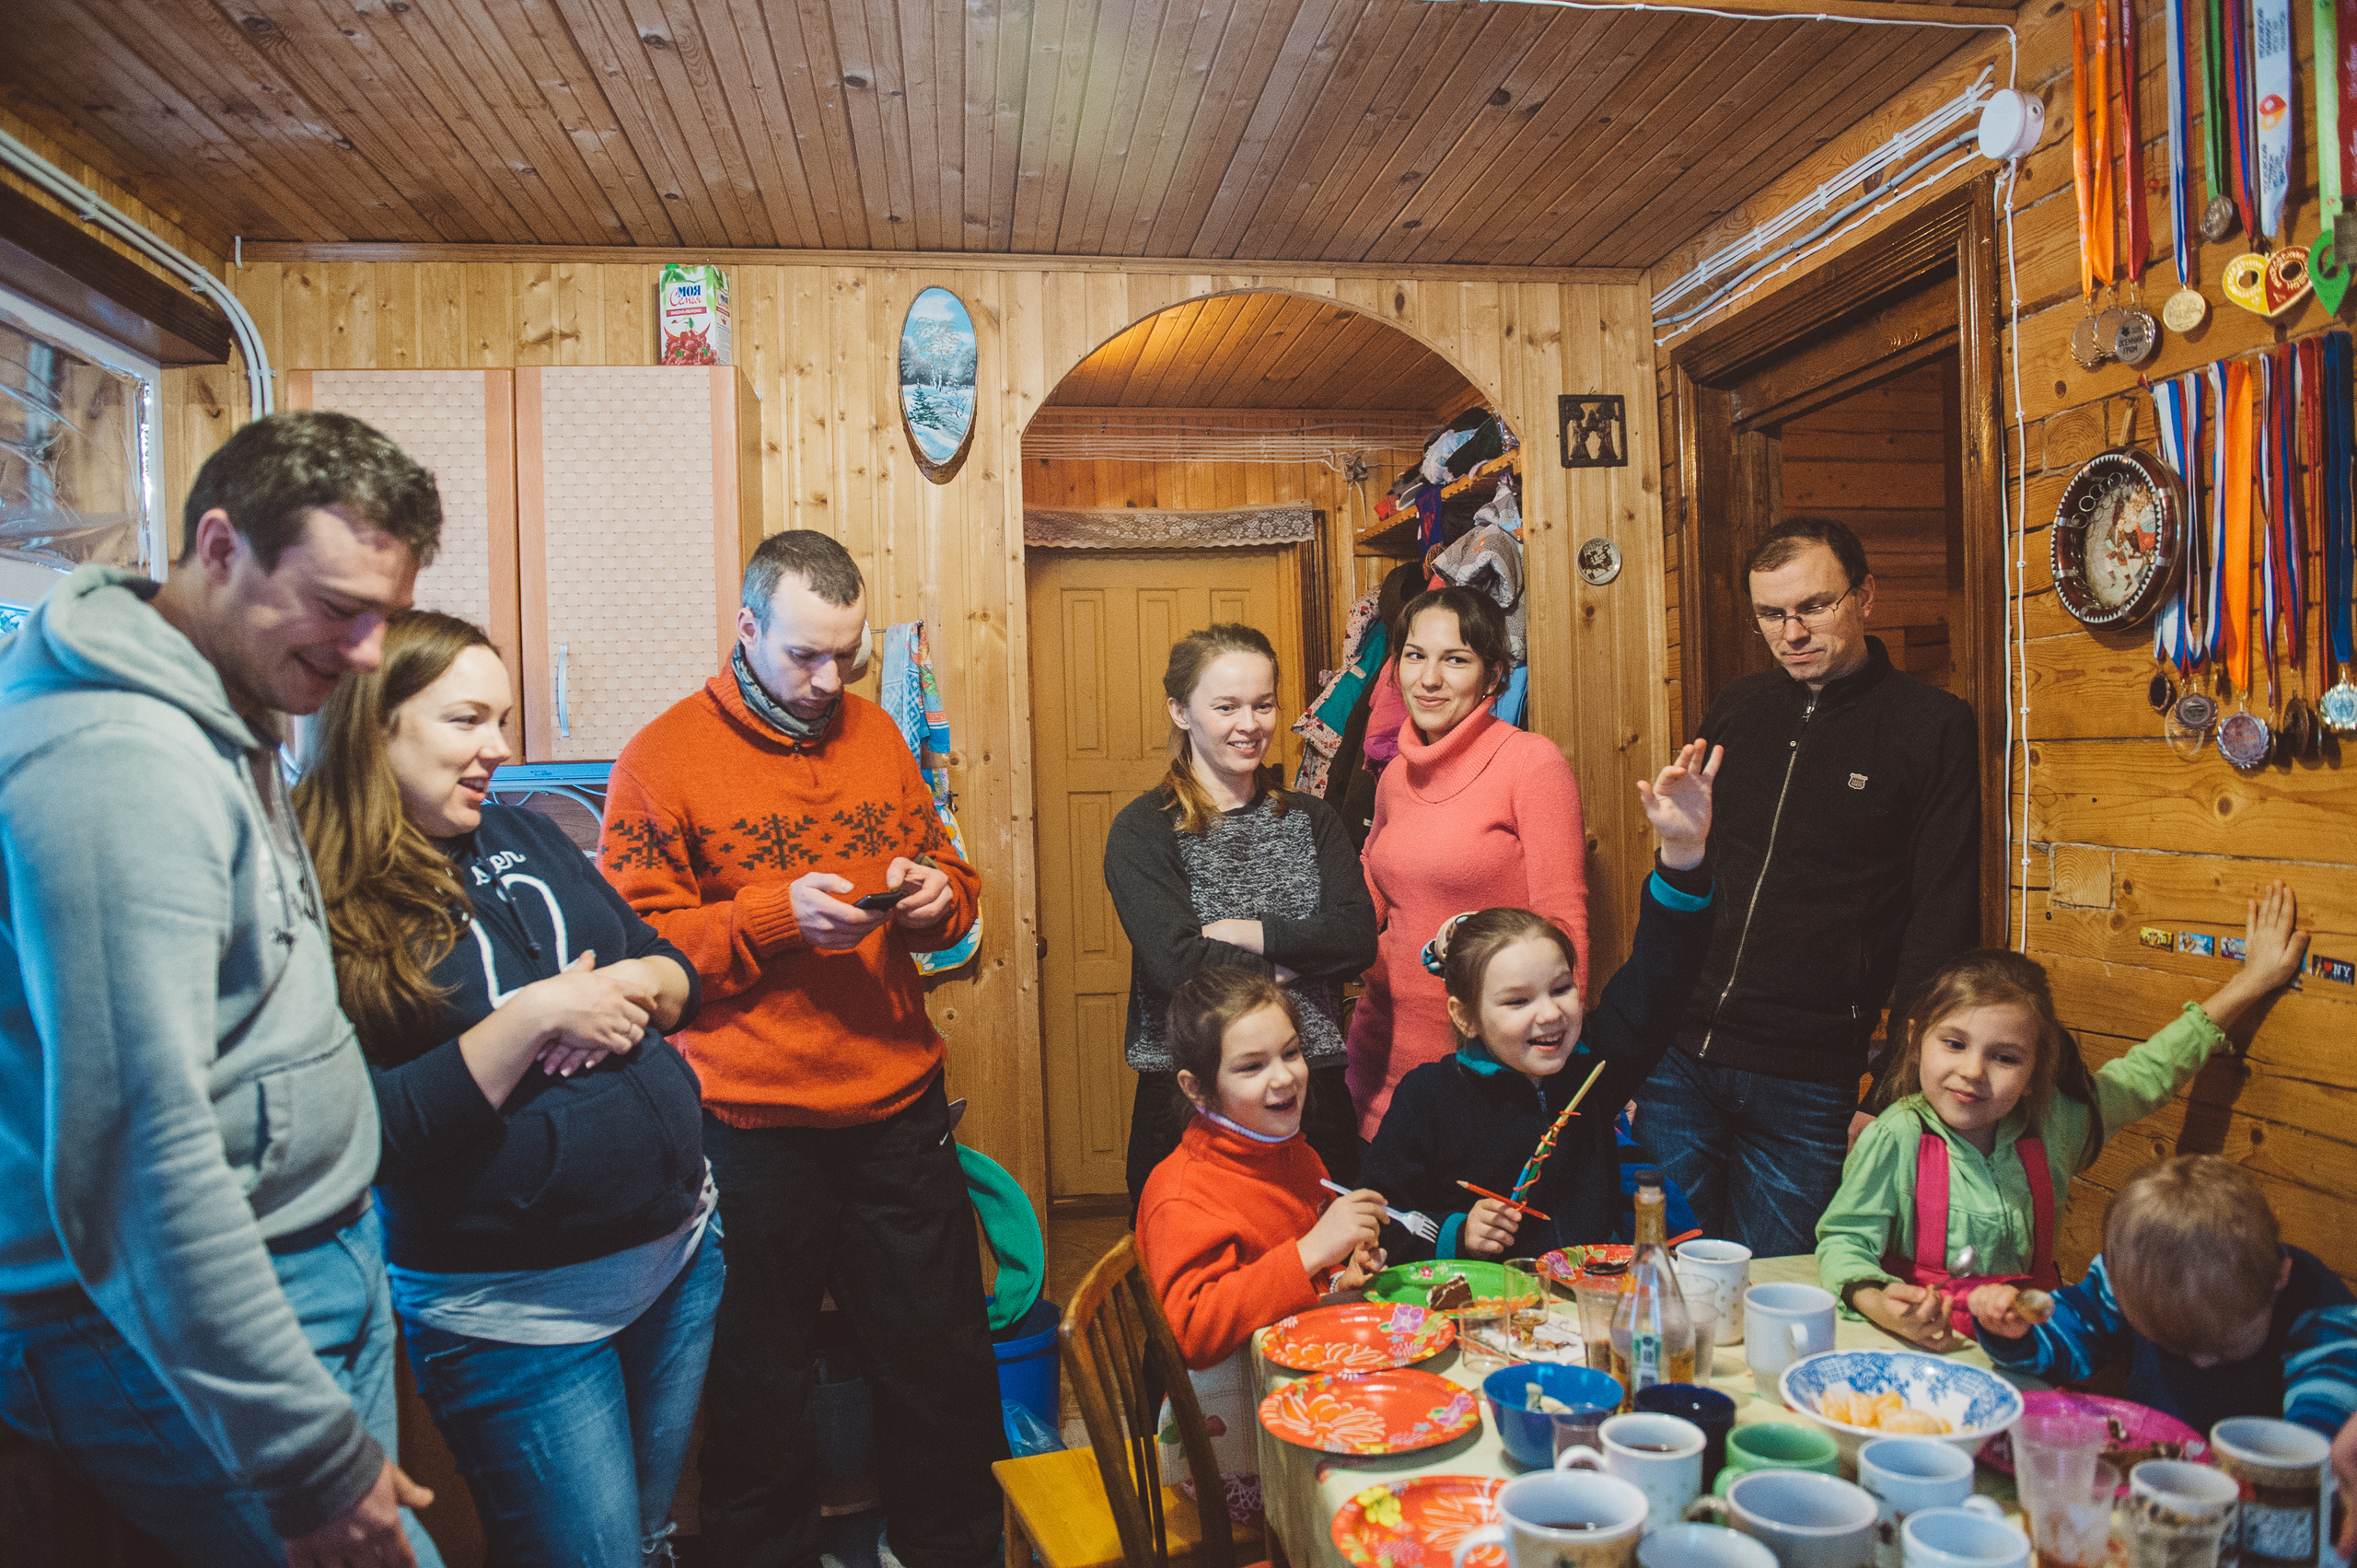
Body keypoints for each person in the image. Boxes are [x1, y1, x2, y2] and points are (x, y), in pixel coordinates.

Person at [0, 411, 447, 1566]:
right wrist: (304, 1453)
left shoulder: (231, 693)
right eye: (337, 606)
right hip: (167, 1319)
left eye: (385, 615)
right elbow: (134, 1154)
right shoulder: (114, 764)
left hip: (304, 1260)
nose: (363, 652)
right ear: (217, 546)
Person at [601, 529, 1003, 1568]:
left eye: (848, 654)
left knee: (942, 1370)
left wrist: (929, 898)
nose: (828, 680)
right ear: (746, 628)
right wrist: (774, 919)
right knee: (755, 1388)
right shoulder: (660, 756)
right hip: (747, 1127)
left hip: (898, 1113)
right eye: (804, 655)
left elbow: (954, 878)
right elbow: (636, 948)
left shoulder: (875, 734)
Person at [296, 610, 718, 1566]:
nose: (499, 748)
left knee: (645, 1538)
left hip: (678, 1257)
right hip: (517, 1314)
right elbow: (373, 1132)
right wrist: (530, 1021)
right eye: (467, 721)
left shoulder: (526, 831)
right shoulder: (322, 894)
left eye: (504, 718)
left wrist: (618, 988)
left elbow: (674, 974)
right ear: (374, 724)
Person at [1634, 515, 1980, 1260]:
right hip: (1681, 1061)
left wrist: (1895, 1083)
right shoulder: (1740, 707)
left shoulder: (1933, 727)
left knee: (1781, 1288)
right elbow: (1687, 871)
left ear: (1865, 597)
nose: (1791, 631)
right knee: (1660, 1272)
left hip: (1811, 1078)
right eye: (1770, 614)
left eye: (1813, 606)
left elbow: (1940, 917)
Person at [1816, 882, 2309, 1351]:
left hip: (2031, 1357)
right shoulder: (1896, 1136)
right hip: (1915, 1353)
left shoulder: (2058, 1125)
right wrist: (1878, 1301)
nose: (1972, 1072)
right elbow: (1844, 1241)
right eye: (1954, 1043)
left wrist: (2251, 982)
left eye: (2004, 1057)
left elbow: (2150, 1071)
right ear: (1915, 1038)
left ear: (2035, 1070)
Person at [1361, 740, 1721, 1263]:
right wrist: (1456, 1233)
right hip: (1483, 1322)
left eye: (1561, 988)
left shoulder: (1593, 1067)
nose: (1550, 1013)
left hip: (1582, 1315)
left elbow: (1658, 979)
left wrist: (1683, 857)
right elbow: (1383, 1218)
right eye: (1517, 1002)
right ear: (1465, 1015)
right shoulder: (1428, 1098)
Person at [1106, 623, 1378, 1209]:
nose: (1248, 725)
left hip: (1311, 1084)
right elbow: (1176, 966)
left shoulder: (1313, 820)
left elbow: (1357, 939)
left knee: (1332, 1272)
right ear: (1180, 711)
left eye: (1263, 705)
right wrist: (1301, 959)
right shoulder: (1143, 830)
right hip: (1190, 1094)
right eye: (1226, 707)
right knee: (1202, 1288)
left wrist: (1247, 935)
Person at [1964, 1155, 2357, 1546]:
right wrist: (2015, 1334)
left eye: (2224, 1347)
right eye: (2172, 1347)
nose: (2202, 1363)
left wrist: (2261, 1477)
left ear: (2280, 1277)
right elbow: (2071, 1337)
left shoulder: (2320, 1314)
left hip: (2259, 1518)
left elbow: (2318, 1437)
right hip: (2147, 1495)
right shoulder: (2136, 1278)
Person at [1136, 968, 1389, 1524]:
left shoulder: (1294, 1154)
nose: (1284, 1078)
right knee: (1372, 1502)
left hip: (1286, 1397)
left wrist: (1340, 1277)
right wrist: (1311, 1253)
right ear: (1196, 1088)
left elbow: (1294, 1284)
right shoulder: (1182, 1193)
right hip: (1227, 1458)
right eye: (1251, 1067)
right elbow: (1196, 1333)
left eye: (1291, 1053)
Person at [1347, 585, 1589, 1140]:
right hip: (1377, 1057)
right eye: (1415, 655)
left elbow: (1565, 927)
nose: (1429, 679)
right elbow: (1367, 898)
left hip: (1482, 1073)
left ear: (1493, 674)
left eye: (1455, 659)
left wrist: (1542, 1059)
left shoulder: (1530, 764)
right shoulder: (1394, 776)